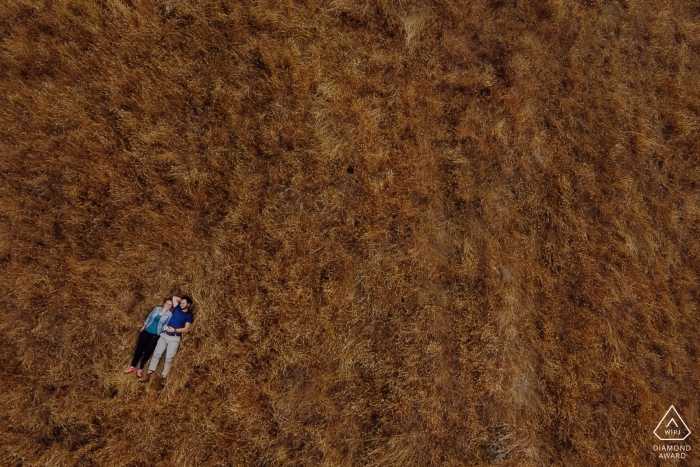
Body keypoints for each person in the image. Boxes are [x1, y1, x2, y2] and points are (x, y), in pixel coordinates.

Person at [145, 295, 194, 385]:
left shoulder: (189, 315)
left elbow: (187, 328)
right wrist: (182, 301)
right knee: (156, 353)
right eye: (181, 303)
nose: (181, 304)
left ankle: (164, 377)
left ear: (189, 304)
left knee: (169, 358)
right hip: (164, 335)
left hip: (175, 338)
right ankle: (149, 372)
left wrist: (174, 330)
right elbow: (174, 298)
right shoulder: (177, 308)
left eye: (184, 303)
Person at [124, 299, 173, 378]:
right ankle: (132, 367)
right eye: (167, 303)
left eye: (170, 305)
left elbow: (166, 325)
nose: (168, 305)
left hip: (155, 335)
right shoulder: (157, 309)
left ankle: (140, 369)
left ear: (171, 307)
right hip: (146, 331)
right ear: (164, 303)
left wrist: (164, 329)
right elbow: (149, 317)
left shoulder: (169, 315)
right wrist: (144, 326)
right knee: (139, 349)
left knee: (148, 352)